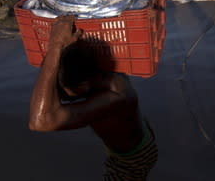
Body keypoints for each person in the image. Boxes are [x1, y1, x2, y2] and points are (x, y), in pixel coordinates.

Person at [29, 15, 158, 180]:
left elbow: (40, 121)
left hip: (132, 159)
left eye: (66, 93)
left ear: (82, 86)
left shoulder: (114, 97)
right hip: (138, 137)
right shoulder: (102, 67)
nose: (63, 98)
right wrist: (60, 47)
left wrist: (56, 45)